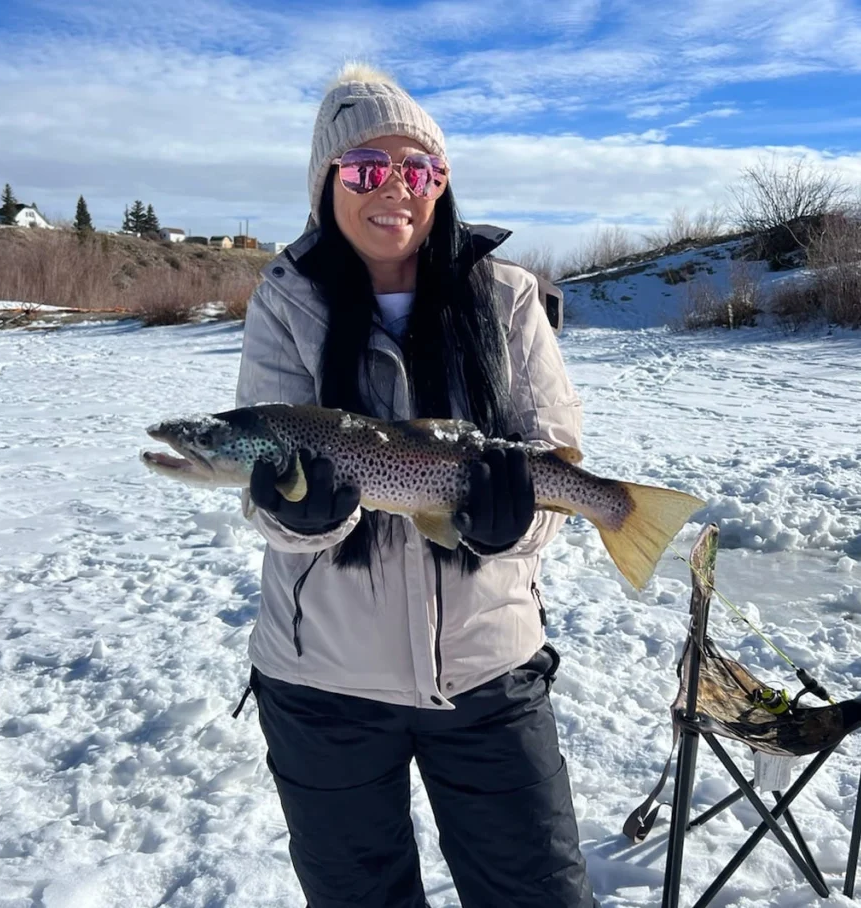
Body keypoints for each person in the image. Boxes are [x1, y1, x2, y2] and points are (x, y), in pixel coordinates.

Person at [235, 62, 598, 908]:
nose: (395, 187)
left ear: (443, 182)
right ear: (326, 183)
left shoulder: (510, 298)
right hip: (321, 684)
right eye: (367, 168)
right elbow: (263, 493)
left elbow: (557, 457)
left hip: (490, 670)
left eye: (419, 168)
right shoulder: (285, 301)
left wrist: (514, 526)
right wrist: (302, 517)